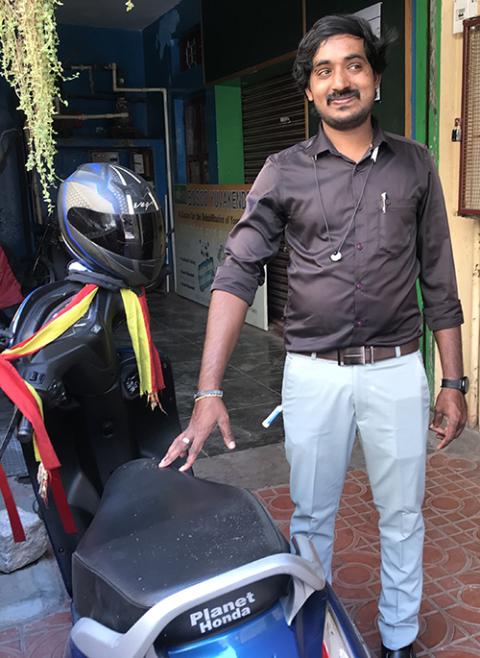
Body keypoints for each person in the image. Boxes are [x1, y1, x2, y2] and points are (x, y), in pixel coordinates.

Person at [160, 14, 467, 658]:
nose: (340, 81)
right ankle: (313, 632)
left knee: (404, 516)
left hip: (394, 371)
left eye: (354, 65)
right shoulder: (283, 170)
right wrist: (208, 389)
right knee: (311, 519)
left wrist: (455, 381)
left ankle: (401, 637)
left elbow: (439, 276)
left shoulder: (414, 164)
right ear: (309, 91)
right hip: (312, 375)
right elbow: (237, 271)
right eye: (324, 71)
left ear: (376, 78)